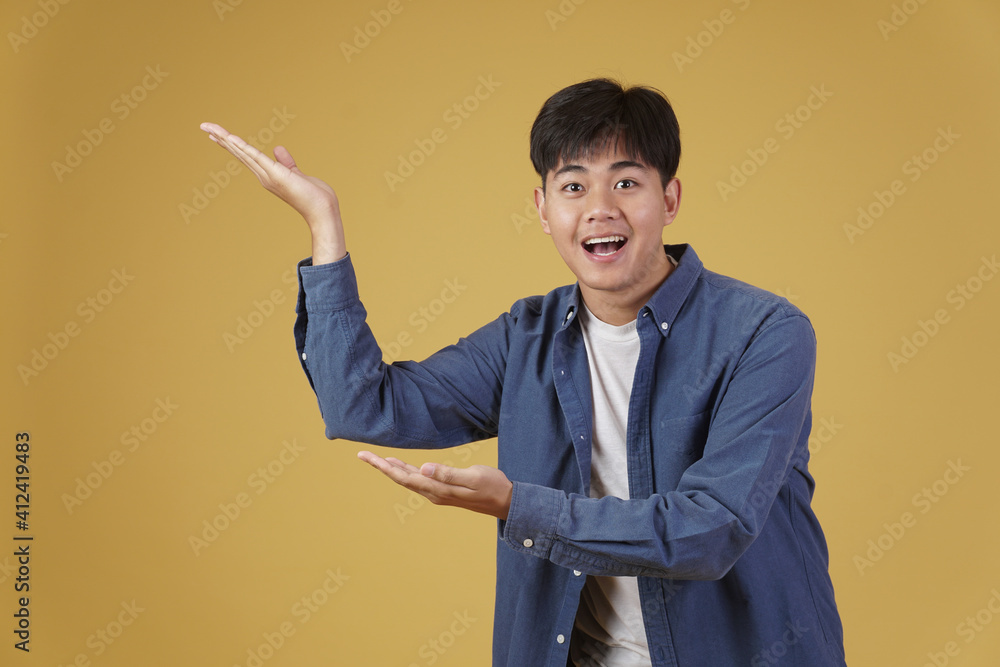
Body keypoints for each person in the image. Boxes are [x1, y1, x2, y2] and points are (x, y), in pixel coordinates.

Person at [201, 78, 846, 666]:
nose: (599, 208)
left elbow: (709, 530)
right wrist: (324, 227)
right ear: (542, 210)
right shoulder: (526, 337)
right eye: (573, 186)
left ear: (669, 197)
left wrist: (518, 505)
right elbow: (363, 406)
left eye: (626, 182)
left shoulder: (764, 333)